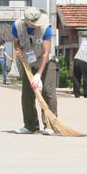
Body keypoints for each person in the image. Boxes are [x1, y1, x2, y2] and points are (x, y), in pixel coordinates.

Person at [12, 7, 57, 135]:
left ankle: (50, 125)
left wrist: (39, 74)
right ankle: (30, 125)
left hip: (47, 62)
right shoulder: (17, 26)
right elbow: (16, 43)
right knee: (27, 94)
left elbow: (45, 53)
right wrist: (17, 50)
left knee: (47, 91)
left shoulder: (45, 28)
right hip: (28, 62)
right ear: (27, 22)